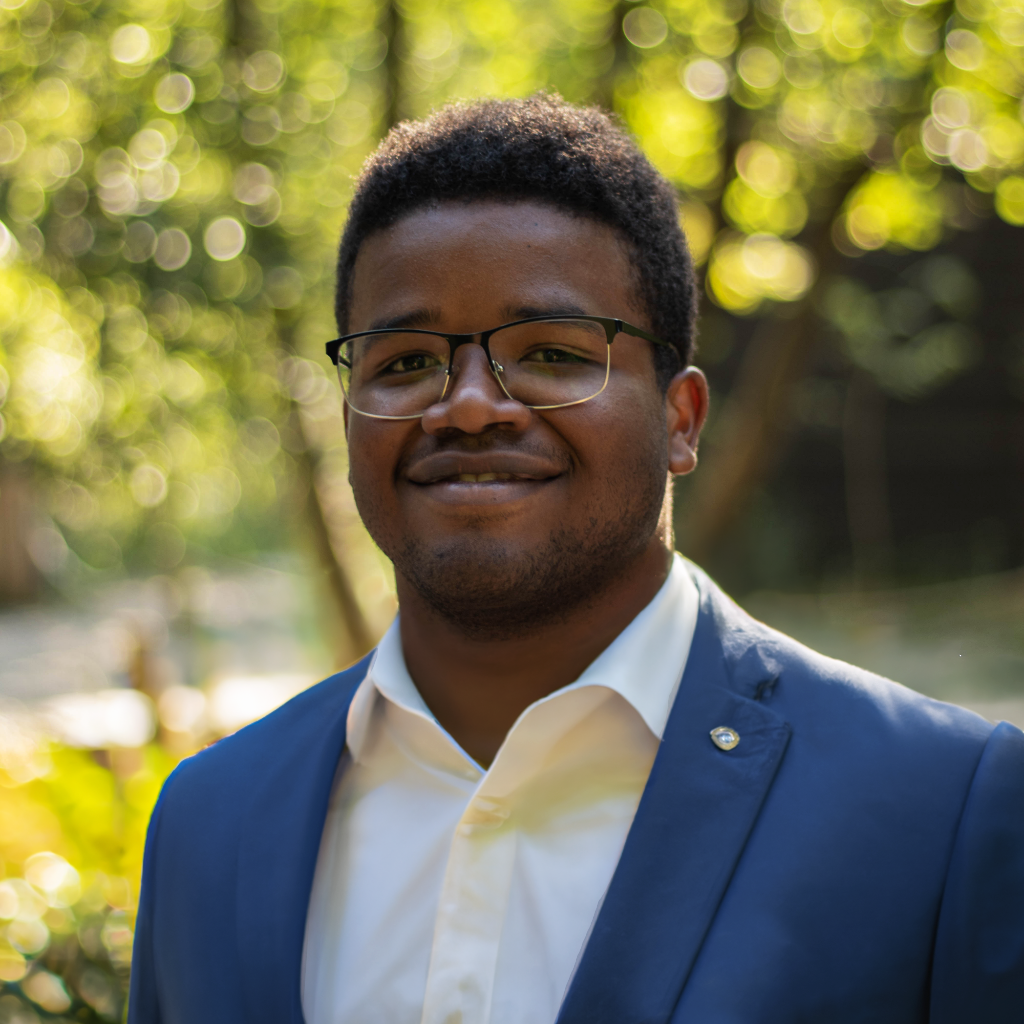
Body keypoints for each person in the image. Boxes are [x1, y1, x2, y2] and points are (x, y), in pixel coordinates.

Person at [128, 94, 1024, 1024]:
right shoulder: (210, 823)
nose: (468, 407)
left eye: (551, 353)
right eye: (404, 363)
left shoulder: (942, 811)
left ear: (681, 420)